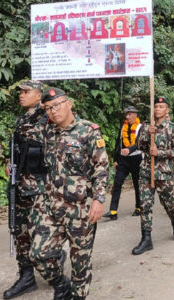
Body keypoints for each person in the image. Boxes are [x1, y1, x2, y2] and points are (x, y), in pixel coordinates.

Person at [30, 87, 108, 300]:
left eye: (57, 105)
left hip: (80, 211)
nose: (53, 111)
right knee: (38, 255)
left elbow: (101, 168)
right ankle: (60, 285)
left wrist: (99, 200)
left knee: (80, 266)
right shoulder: (47, 131)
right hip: (52, 207)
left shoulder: (88, 131)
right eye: (47, 108)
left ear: (69, 104)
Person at [4, 80, 48, 299]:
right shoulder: (21, 119)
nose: (21, 95)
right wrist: (10, 163)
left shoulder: (48, 117)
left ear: (39, 95)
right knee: (20, 233)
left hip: (41, 187)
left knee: (43, 235)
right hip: (20, 185)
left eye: (26, 92)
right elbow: (17, 148)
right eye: (20, 92)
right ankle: (26, 276)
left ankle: (54, 264)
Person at [131, 96, 174, 255]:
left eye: (161, 106)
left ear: (167, 110)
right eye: (156, 106)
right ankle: (146, 239)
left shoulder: (173, 128)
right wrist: (147, 134)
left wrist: (159, 152)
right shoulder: (146, 126)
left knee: (168, 203)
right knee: (144, 204)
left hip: (164, 173)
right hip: (146, 171)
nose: (158, 109)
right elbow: (138, 145)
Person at [103, 106, 142, 220]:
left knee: (137, 184)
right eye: (127, 114)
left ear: (135, 115)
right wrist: (116, 159)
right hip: (123, 160)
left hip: (136, 159)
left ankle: (139, 207)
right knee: (117, 183)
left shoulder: (140, 127)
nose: (127, 116)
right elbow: (118, 144)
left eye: (130, 114)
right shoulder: (123, 127)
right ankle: (113, 211)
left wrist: (130, 150)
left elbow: (139, 143)